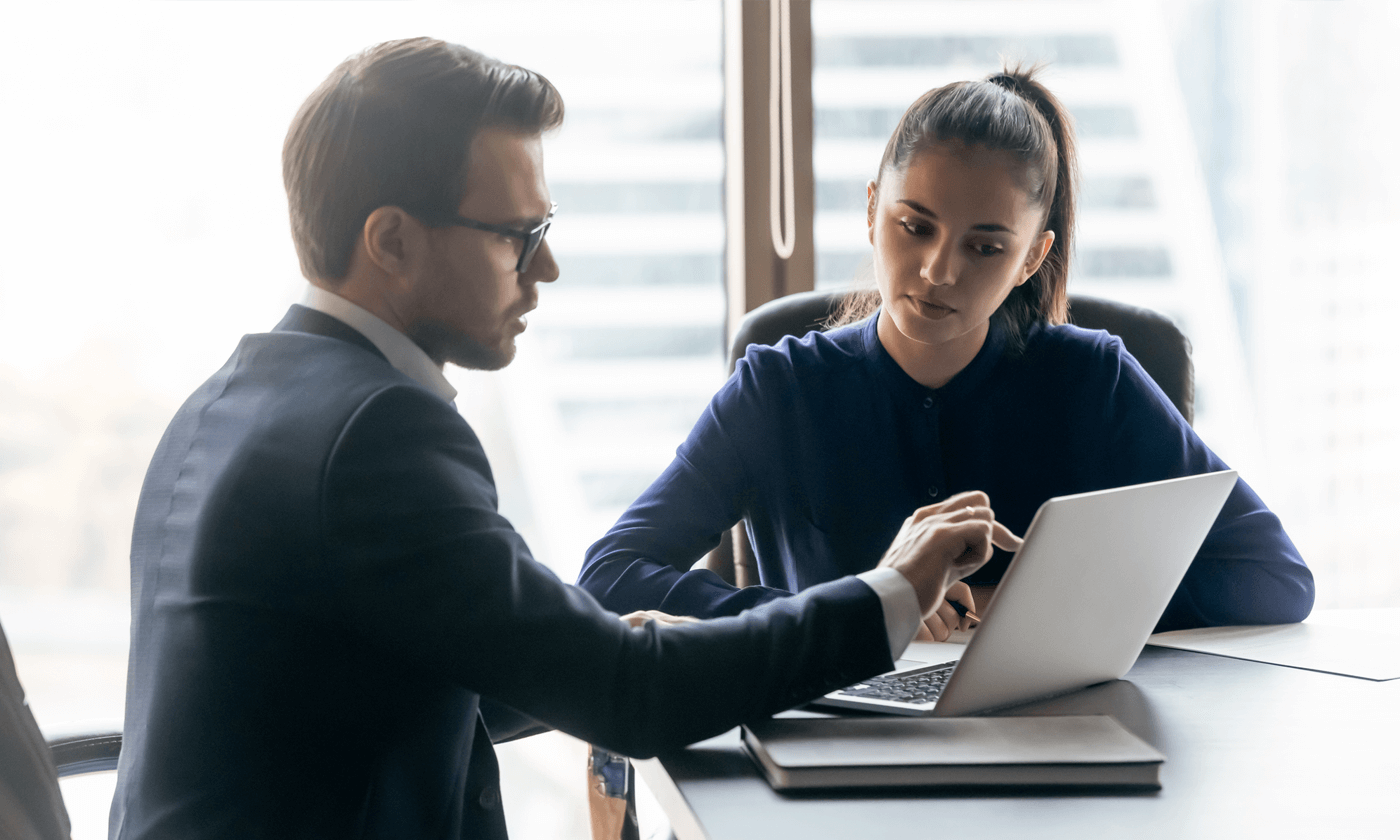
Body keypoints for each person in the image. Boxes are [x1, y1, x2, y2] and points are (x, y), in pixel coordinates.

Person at [109, 37, 1018, 840]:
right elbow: (630, 697)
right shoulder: (377, 434)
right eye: (518, 235)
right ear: (389, 241)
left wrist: (605, 640)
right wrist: (891, 594)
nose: (545, 267)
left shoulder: (230, 398)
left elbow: (394, 673)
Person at [577, 66, 1315, 638]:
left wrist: (1034, 610)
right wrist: (858, 609)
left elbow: (1275, 577)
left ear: (1032, 258)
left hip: (1050, 750)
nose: (939, 271)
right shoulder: (780, 389)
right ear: (872, 211)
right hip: (835, 748)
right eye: (914, 226)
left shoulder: (1094, 380)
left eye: (986, 246)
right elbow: (610, 576)